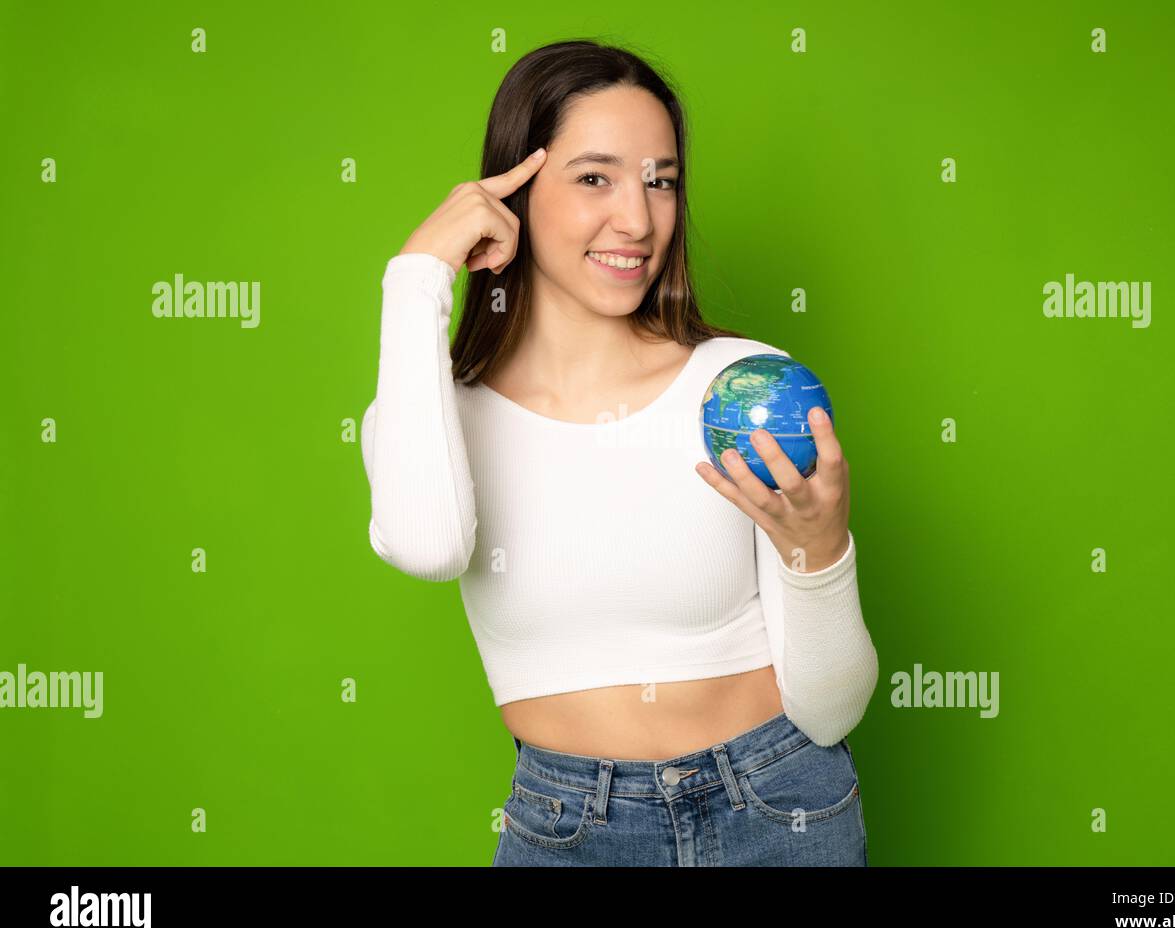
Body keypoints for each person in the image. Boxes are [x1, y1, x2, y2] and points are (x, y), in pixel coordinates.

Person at [360, 39, 879, 866]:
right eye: (595, 177)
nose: (638, 220)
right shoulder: (431, 415)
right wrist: (416, 274)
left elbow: (829, 711)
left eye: (660, 180)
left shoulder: (742, 390)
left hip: (780, 810)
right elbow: (428, 546)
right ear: (514, 194)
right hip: (569, 830)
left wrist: (821, 553)